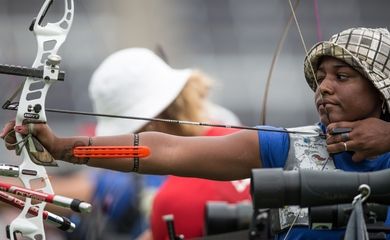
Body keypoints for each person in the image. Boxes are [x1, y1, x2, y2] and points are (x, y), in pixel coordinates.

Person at [2, 27, 390, 239]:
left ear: (380, 88)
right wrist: (63, 147)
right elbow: (163, 151)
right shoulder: (287, 146)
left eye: (342, 77)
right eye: (319, 78)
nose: (323, 88)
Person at [82, 47, 251, 239]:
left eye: (129, 139)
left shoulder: (172, 202)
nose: (126, 153)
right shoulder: (246, 139)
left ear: (151, 126)